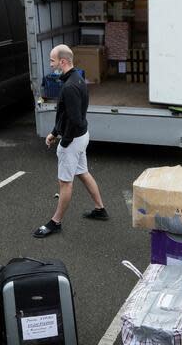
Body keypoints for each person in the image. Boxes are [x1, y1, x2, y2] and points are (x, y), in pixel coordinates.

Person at [33, 44, 108, 238]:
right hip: (82, 136)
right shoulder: (77, 79)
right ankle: (100, 209)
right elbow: (67, 115)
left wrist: (64, 142)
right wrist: (54, 132)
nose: (50, 63)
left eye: (52, 60)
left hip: (73, 140)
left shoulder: (69, 87)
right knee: (82, 172)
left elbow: (74, 120)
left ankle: (55, 222)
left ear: (63, 61)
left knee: (65, 183)